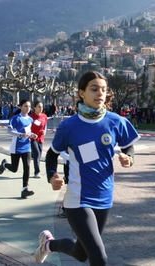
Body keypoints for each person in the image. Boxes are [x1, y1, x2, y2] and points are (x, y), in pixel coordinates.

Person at [33, 71, 140, 265]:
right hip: (78, 199)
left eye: (104, 90)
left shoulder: (115, 121)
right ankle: (50, 244)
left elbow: (129, 147)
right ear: (82, 93)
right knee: (99, 256)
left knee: (81, 253)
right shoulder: (69, 126)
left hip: (105, 197)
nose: (100, 93)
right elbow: (51, 154)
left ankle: (49, 244)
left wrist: (129, 159)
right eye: (94, 89)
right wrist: (51, 176)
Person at [0, 99, 38, 198]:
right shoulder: (16, 118)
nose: (28, 108)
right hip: (16, 147)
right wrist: (20, 135)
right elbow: (9, 131)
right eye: (25, 106)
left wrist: (32, 135)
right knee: (14, 169)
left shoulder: (30, 119)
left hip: (27, 147)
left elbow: (27, 132)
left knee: (27, 167)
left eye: (29, 106)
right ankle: (4, 164)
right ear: (20, 107)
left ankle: (25, 189)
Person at [29, 101, 48, 178]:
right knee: (36, 153)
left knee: (39, 154)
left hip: (41, 138)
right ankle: (37, 171)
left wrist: (45, 131)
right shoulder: (30, 117)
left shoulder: (44, 116)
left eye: (42, 107)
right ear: (34, 107)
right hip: (32, 137)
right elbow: (26, 128)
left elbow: (45, 125)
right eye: (39, 107)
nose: (41, 108)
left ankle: (32, 155)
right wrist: (31, 134)